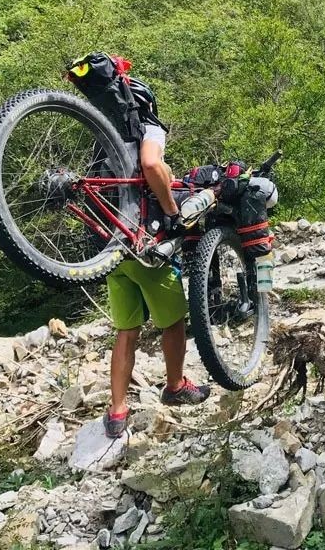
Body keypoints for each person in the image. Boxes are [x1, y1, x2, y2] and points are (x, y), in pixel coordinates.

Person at [103, 122, 210, 439]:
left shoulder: (105, 135)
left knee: (126, 330)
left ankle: (118, 411)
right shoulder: (147, 127)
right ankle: (176, 385)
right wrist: (171, 209)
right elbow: (150, 164)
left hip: (110, 248)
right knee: (174, 320)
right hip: (143, 244)